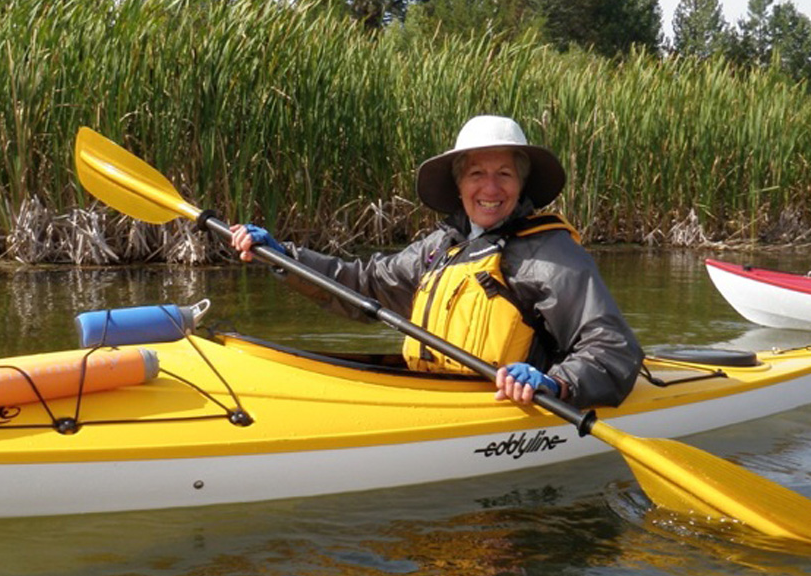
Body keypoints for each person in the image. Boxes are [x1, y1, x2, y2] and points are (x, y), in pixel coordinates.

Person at [229, 114, 643, 409]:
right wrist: (285, 257)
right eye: (477, 173)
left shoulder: (550, 254)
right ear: (459, 184)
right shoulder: (441, 248)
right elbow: (364, 284)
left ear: (521, 185)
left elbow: (612, 350)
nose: (490, 188)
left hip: (510, 406)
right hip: (433, 395)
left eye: (505, 174)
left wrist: (556, 382)